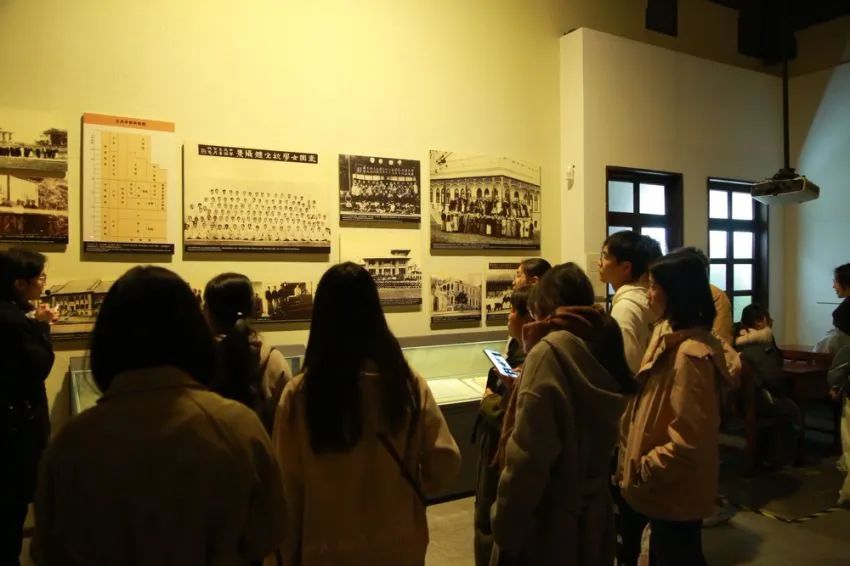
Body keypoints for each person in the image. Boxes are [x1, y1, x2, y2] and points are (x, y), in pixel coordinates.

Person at [35, 266, 285, 565]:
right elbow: (268, 531)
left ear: (107, 341)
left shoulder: (71, 444)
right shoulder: (237, 428)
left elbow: (48, 550)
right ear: (194, 333)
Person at [273, 262, 461, 565]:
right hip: (398, 543)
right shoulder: (406, 385)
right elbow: (446, 462)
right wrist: (408, 488)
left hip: (327, 547)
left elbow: (287, 490)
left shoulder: (300, 395)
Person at [490, 263, 634, 565]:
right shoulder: (604, 339)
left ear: (544, 304)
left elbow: (528, 457)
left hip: (548, 524)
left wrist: (504, 525)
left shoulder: (549, 351)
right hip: (593, 515)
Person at [618, 251, 730, 566]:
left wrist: (645, 468)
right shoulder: (669, 337)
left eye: (654, 287)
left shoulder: (691, 355)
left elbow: (689, 439)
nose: (648, 295)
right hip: (665, 490)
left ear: (675, 293)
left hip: (673, 490)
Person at [0, 249, 56, 565]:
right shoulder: (13, 321)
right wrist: (43, 328)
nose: (43, 283)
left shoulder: (11, 315)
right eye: (40, 278)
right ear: (19, 284)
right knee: (12, 510)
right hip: (16, 431)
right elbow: (39, 366)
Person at [473, 285, 534, 566]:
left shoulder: (532, 358)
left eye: (512, 310)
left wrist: (488, 401)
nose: (507, 315)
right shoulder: (525, 353)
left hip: (502, 451)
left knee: (489, 516)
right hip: (500, 448)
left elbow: (509, 411)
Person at [203, 272, 292, 432]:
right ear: (252, 308)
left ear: (208, 311)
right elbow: (287, 424)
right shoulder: (273, 360)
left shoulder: (199, 360)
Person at [734, 304, 801, 467]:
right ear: (760, 321)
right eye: (768, 318)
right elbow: (774, 380)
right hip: (758, 401)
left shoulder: (735, 342)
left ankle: (765, 452)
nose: (771, 321)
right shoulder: (762, 347)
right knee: (793, 409)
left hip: (736, 401)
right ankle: (782, 458)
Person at [598, 231, 663, 374]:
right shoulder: (654, 299)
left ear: (626, 267)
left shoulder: (625, 308)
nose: (599, 263)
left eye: (605, 256)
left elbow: (626, 367)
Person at [815, 263, 850, 354]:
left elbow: (837, 339)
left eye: (836, 282)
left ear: (846, 283)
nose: (833, 286)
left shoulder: (843, 312)